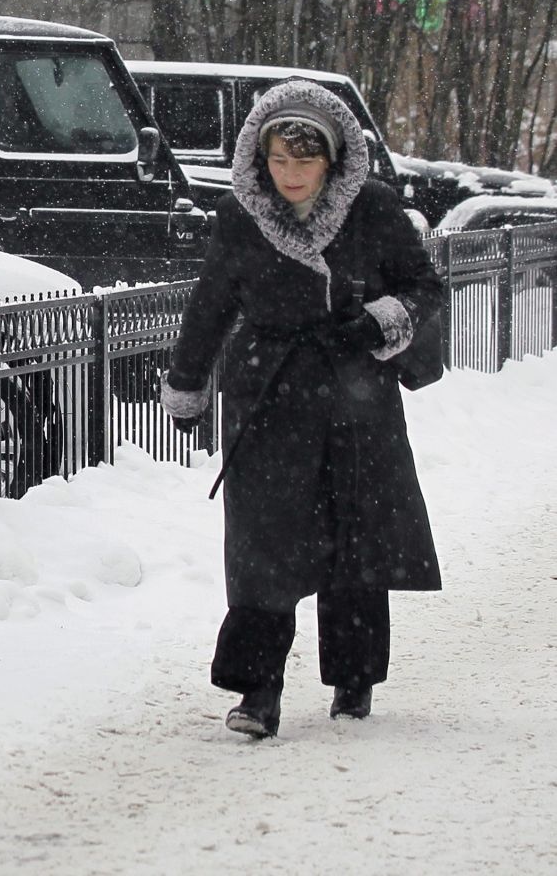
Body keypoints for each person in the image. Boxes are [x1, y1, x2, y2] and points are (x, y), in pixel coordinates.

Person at [161, 80, 445, 739]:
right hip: (268, 392)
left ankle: (353, 680)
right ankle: (256, 692)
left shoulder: (371, 209)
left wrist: (378, 323)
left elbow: (423, 286)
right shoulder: (242, 213)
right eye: (278, 162)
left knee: (353, 534)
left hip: (354, 391)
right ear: (260, 161)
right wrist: (187, 383)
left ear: (331, 161)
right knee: (264, 544)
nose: (288, 176)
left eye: (303, 161)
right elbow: (210, 303)